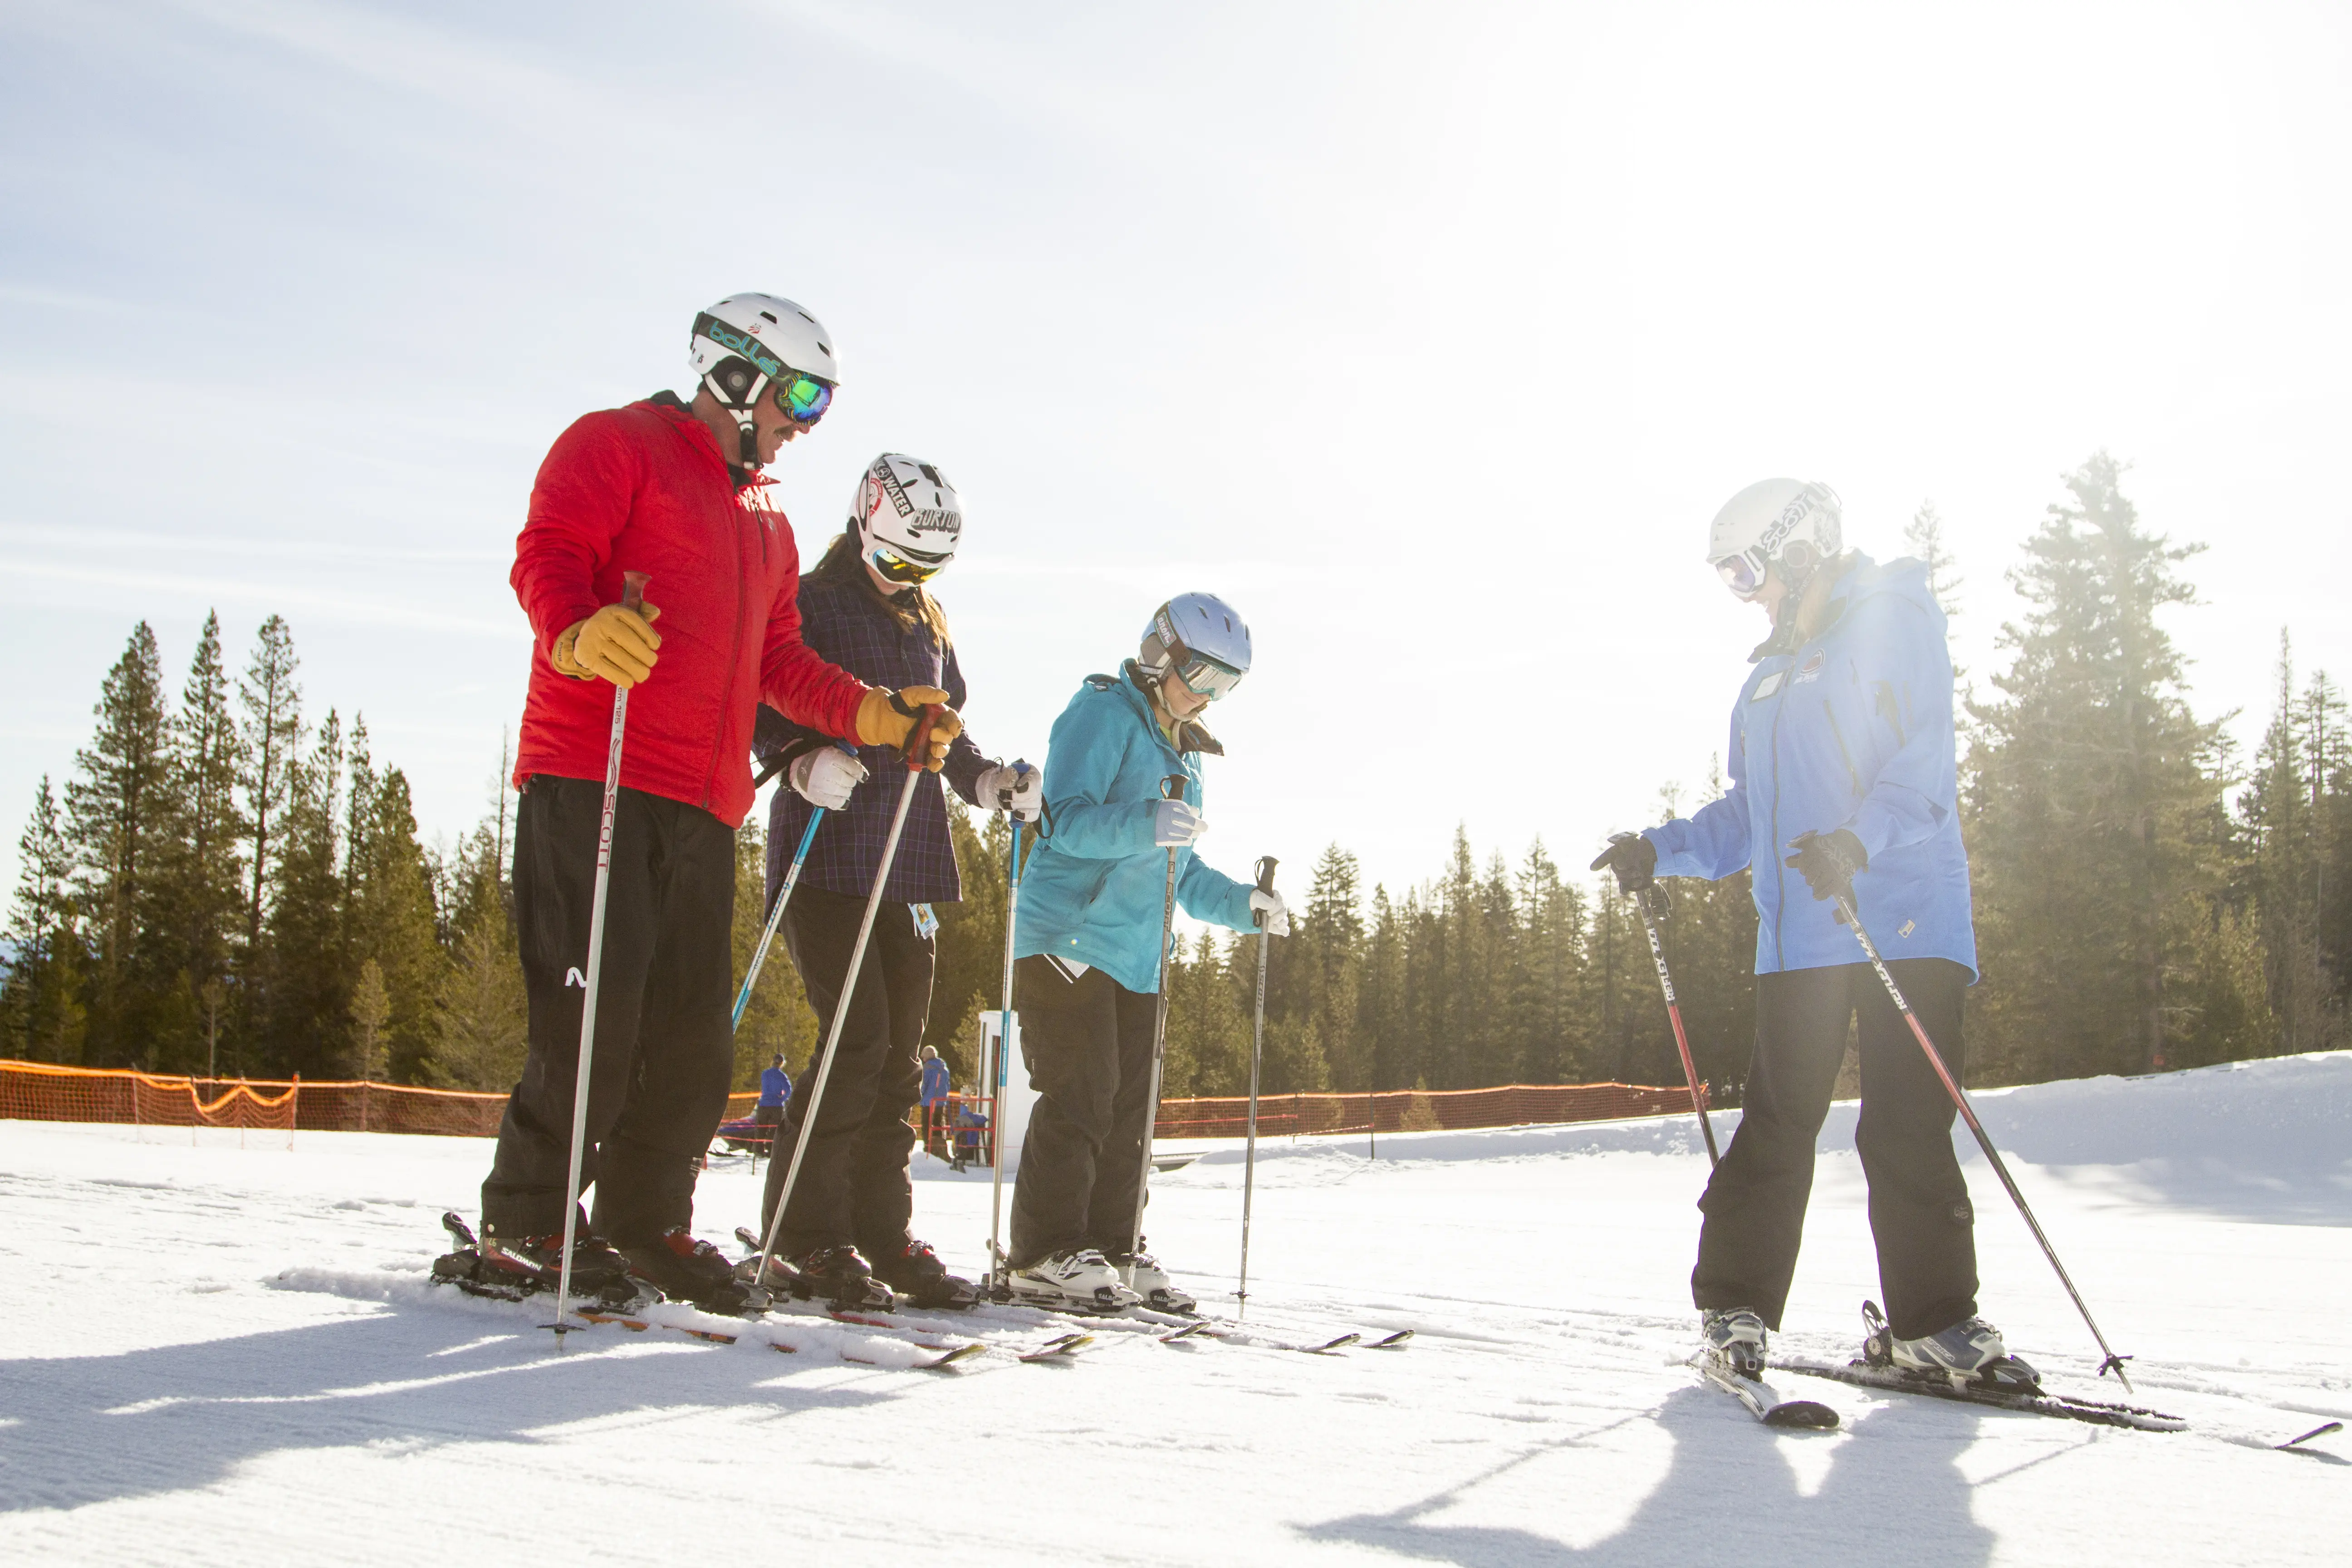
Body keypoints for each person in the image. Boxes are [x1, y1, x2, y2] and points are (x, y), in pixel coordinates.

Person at [470, 296, 962, 1313]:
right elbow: (547, 554)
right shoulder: (617, 446)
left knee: (695, 1038)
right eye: (799, 396)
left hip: (704, 804)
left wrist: (878, 716)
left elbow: (784, 665)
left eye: (819, 405)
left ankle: (643, 1221)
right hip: (594, 777)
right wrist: (575, 631)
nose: (805, 423)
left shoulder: (767, 522)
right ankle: (525, 1224)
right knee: (592, 1017)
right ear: (736, 372)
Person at [1589, 479, 2021, 1387]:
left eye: (1748, 569)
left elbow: (1924, 763)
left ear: (1801, 547)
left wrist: (1858, 843)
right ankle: (1734, 1308)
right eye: (1728, 578)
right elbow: (1750, 813)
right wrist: (1656, 851)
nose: (1746, 592)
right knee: (1780, 1122)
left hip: (1900, 914)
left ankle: (1933, 1324)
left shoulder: (1895, 622)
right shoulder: (1766, 681)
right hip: (1802, 938)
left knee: (1905, 1125)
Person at [744, 454, 1040, 1311]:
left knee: (899, 1064)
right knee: (854, 1043)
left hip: (907, 859)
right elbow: (768, 699)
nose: (911, 580)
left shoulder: (928, 619)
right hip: (830, 853)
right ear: (864, 524)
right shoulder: (810, 600)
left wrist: (986, 782)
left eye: (928, 568)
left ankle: (879, 1231)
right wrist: (800, 763)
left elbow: (947, 724)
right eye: (900, 561)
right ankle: (802, 1236)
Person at [1003, 593, 1286, 1313]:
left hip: (1136, 956)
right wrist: (1145, 820)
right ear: (1161, 654)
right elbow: (1063, 823)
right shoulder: (1102, 713)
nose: (1208, 696)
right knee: (1082, 1093)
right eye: (1202, 675)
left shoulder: (1186, 755)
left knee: (1130, 1107)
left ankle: (1115, 1244)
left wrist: (1242, 907)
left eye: (1226, 686)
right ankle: (1043, 1253)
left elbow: (1179, 872)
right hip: (1066, 935)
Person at [755, 1053, 793, 1154]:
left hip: (764, 1104)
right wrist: (782, 1099)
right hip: (776, 1106)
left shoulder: (765, 1073)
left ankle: (758, 1150)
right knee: (775, 1129)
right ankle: (771, 1150)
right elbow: (788, 1090)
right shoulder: (782, 1076)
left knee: (761, 1128)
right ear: (782, 1064)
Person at [918, 1045, 951, 1156]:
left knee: (927, 1125)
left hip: (928, 1102)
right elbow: (948, 1085)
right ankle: (940, 1148)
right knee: (939, 1125)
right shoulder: (944, 1068)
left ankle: (928, 1147)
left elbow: (924, 1084)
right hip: (941, 1102)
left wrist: (919, 1095)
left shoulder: (928, 1068)